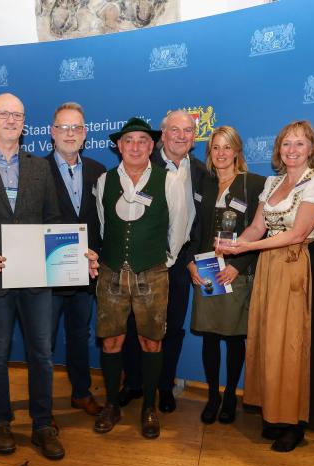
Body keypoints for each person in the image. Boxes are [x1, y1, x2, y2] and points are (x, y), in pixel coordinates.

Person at [0, 93, 87, 460]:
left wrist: (73, 249)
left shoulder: (39, 168)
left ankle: (43, 424)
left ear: (25, 123)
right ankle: (1, 422)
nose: (11, 120)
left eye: (18, 114)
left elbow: (54, 220)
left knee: (41, 354)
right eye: (4, 114)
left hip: (35, 277)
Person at [219, 120, 314, 452]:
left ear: (312, 148)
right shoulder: (272, 182)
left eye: (300, 143)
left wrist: (245, 248)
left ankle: (294, 422)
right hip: (269, 265)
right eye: (286, 143)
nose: (292, 150)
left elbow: (298, 233)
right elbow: (257, 227)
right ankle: (274, 414)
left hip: (296, 264)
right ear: (278, 150)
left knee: (292, 345)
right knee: (269, 340)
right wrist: (233, 245)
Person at [93, 117, 190, 439]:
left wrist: (168, 258)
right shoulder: (105, 181)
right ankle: (111, 405)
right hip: (110, 273)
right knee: (111, 340)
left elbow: (180, 226)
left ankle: (149, 406)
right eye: (128, 141)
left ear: (152, 146)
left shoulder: (169, 181)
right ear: (118, 146)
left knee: (151, 340)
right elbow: (104, 226)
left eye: (142, 141)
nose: (135, 146)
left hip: (153, 271)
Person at [120, 109, 206, 413]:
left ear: (194, 138)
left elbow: (201, 222)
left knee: (173, 328)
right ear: (163, 135)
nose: (181, 136)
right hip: (145, 260)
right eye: (175, 130)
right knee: (135, 324)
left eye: (187, 131)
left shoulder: (201, 171)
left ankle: (164, 386)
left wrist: (191, 256)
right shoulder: (141, 163)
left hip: (182, 261)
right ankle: (132, 383)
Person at [190, 126, 265, 424]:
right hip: (207, 269)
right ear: (210, 153)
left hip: (237, 272)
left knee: (234, 339)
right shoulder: (204, 183)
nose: (221, 153)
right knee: (209, 337)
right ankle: (212, 396)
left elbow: (264, 230)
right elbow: (194, 228)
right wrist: (190, 263)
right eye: (215, 148)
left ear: (237, 151)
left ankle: (232, 395)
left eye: (226, 147)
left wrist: (240, 265)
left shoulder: (254, 184)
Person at [46, 102, 106, 417]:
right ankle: (42, 405)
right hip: (48, 273)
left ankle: (81, 392)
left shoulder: (99, 172)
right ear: (52, 132)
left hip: (86, 272)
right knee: (43, 341)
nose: (70, 134)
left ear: (84, 134)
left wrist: (95, 253)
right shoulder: (36, 170)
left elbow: (103, 223)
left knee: (79, 335)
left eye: (76, 128)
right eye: (63, 127)